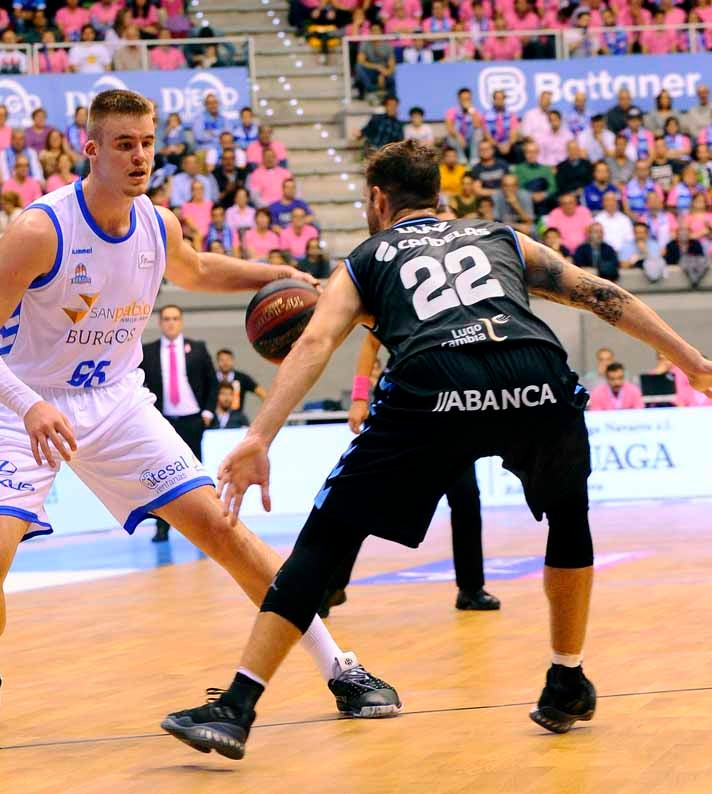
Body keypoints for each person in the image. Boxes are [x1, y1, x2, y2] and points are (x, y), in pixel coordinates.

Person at [161, 139, 712, 758]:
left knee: (328, 536)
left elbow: (314, 345)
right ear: (439, 195)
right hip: (536, 373)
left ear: (377, 199)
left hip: (435, 383)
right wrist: (691, 362)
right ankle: (566, 679)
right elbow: (600, 294)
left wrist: (259, 435)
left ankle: (237, 706)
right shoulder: (501, 237)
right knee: (568, 516)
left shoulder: (367, 258)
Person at [0, 89, 392, 734]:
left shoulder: (158, 222)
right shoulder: (41, 230)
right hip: (30, 405)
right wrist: (29, 402)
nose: (139, 156)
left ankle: (342, 668)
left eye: (148, 143)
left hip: (120, 403)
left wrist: (273, 273)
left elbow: (197, 269)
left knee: (223, 531)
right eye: (124, 144)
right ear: (92, 149)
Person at [322, 331, 499, 617]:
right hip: (404, 403)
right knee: (367, 497)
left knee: (466, 497)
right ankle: (329, 587)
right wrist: (358, 397)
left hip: (451, 406)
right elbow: (371, 342)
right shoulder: (396, 295)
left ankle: (471, 589)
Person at [140, 304, 217, 542]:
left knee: (195, 474)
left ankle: (204, 524)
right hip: (162, 421)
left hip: (193, 419)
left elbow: (212, 382)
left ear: (181, 322)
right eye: (166, 319)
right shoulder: (148, 351)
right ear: (160, 323)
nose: (171, 323)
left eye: (175, 318)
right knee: (162, 475)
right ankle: (162, 527)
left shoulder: (198, 349)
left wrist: (208, 412)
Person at [215, 348, 266, 412]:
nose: (225, 363)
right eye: (222, 360)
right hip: (214, 417)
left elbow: (262, 393)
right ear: (217, 361)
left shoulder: (242, 378)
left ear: (232, 361)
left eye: (228, 359)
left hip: (236, 417)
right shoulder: (211, 377)